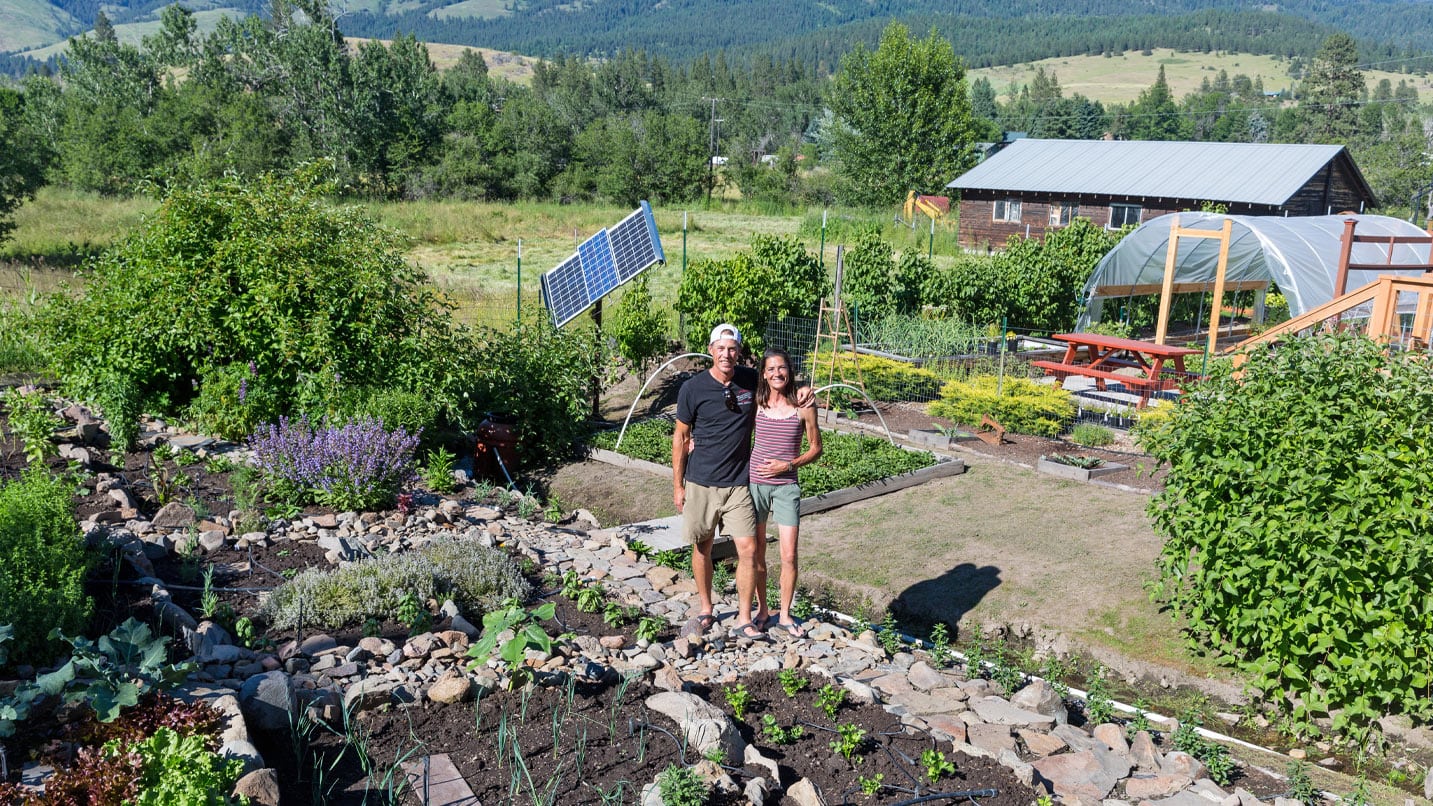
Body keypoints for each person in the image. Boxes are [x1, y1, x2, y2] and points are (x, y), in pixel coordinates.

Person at [672, 324, 810, 640]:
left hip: (738, 483)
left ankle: (744, 617)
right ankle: (706, 608)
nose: (727, 354)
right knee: (703, 546)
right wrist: (678, 486)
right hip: (701, 482)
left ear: (738, 351)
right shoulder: (692, 389)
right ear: (710, 350)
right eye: (721, 348)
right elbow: (680, 437)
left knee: (748, 550)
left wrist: (802, 390)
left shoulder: (749, 379)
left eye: (732, 348)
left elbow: (780, 380)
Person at [748, 347, 821, 637]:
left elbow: (816, 448)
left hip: (786, 487)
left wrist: (787, 464)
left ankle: (786, 614)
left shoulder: (803, 405)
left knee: (789, 555)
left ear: (789, 371)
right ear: (764, 374)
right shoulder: (757, 401)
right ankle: (763, 610)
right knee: (756, 553)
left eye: (782, 368)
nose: (777, 374)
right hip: (754, 485)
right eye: (771, 369)